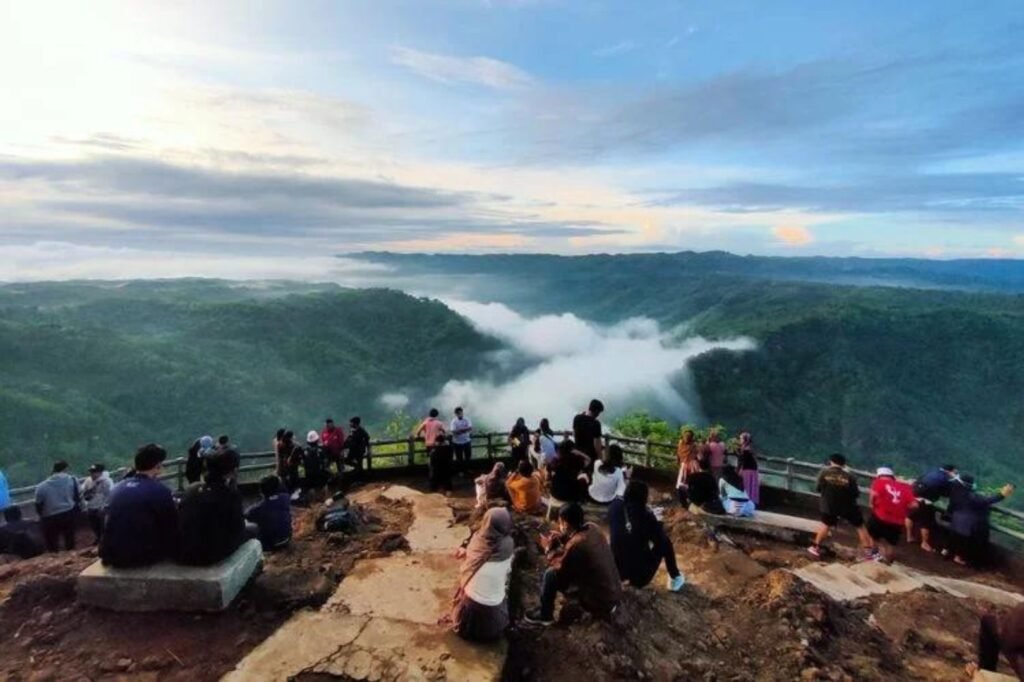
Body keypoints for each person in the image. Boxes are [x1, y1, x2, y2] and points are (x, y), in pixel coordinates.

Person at [524, 503, 622, 625]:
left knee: (550, 575)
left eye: (560, 522)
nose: (559, 526)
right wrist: (562, 537)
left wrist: (548, 549)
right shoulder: (593, 527)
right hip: (614, 592)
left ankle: (545, 615)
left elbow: (559, 567)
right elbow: (575, 539)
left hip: (601, 601)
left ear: (565, 524)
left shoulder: (577, 545)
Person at [100, 444, 181, 568]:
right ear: (158, 466)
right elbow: (171, 526)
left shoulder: (118, 487)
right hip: (139, 557)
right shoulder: (160, 490)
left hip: (110, 554)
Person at [451, 507, 514, 642]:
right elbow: (507, 571)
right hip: (494, 625)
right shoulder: (508, 545)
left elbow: (467, 570)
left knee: (468, 581)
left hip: (466, 621)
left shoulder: (476, 542)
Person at [609, 481, 685, 591]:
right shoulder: (645, 516)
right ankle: (675, 576)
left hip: (615, 570)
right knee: (665, 541)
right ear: (644, 497)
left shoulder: (614, 506)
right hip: (639, 577)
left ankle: (624, 577)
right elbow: (659, 539)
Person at [179, 451, 250, 566]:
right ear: (234, 470)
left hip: (185, 551)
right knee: (252, 529)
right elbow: (238, 529)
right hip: (210, 555)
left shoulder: (191, 490)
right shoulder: (231, 495)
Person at [808, 454, 873, 559]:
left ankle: (816, 547)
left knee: (825, 525)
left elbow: (818, 488)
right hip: (848, 506)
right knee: (860, 527)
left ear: (831, 462)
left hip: (829, 506)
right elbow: (855, 493)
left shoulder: (824, 473)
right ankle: (869, 553)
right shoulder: (850, 477)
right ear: (844, 464)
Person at [948, 475, 1014, 567]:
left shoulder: (956, 492)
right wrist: (1002, 494)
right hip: (968, 524)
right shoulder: (971, 496)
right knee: (968, 544)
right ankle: (960, 559)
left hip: (956, 521)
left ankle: (949, 554)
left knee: (957, 541)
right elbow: (988, 500)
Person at [866, 467, 917, 564]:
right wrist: (904, 508)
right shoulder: (905, 487)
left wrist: (872, 504)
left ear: (879, 476)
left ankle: (874, 556)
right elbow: (914, 505)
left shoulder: (878, 482)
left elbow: (873, 495)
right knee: (891, 543)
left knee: (873, 536)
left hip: (880, 516)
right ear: (892, 477)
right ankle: (888, 563)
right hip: (898, 520)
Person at [907, 464, 957, 552]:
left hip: (915, 494)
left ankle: (909, 536)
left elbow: (919, 479)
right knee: (926, 522)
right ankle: (924, 543)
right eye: (954, 472)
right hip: (926, 500)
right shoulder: (945, 478)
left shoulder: (931, 471)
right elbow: (946, 493)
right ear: (950, 471)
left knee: (910, 515)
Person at [969, 602, 1024, 679]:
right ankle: (986, 673)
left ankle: (986, 673)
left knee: (988, 622)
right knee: (988, 622)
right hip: (1011, 634)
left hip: (1010, 633)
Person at [35, 461, 80, 552]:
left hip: (50, 516)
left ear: (53, 470)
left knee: (52, 542)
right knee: (69, 539)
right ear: (66, 469)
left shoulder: (41, 486)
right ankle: (71, 557)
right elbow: (77, 496)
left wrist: (42, 516)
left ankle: (54, 557)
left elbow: (38, 504)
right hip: (69, 513)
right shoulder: (73, 480)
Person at [245, 475, 292, 551]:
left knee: (246, 526)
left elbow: (246, 515)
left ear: (261, 492)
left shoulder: (259, 508)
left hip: (269, 544)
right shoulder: (285, 497)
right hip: (287, 538)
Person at [548, 439, 591, 503]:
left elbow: (549, 472)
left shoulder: (555, 461)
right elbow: (588, 460)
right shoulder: (576, 460)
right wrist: (579, 452)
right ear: (572, 450)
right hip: (571, 495)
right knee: (583, 479)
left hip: (555, 493)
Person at [81, 463, 113, 544]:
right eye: (91, 472)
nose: (92, 474)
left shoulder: (107, 481)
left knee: (103, 525)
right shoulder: (88, 480)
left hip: (101, 507)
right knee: (94, 524)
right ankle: (98, 537)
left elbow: (110, 494)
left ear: (100, 472)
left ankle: (104, 540)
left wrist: (105, 506)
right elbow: (83, 491)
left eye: (94, 472)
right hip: (91, 506)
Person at [573, 399, 605, 463]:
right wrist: (601, 460)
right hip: (590, 457)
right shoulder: (596, 424)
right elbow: (597, 445)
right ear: (597, 411)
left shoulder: (577, 418)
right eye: (599, 412)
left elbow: (574, 434)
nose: (598, 414)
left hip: (577, 454)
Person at [302, 430, 329, 500]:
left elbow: (301, 465)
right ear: (317, 440)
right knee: (324, 485)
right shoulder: (322, 450)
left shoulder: (304, 451)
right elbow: (327, 462)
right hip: (321, 476)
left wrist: (302, 476)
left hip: (309, 477)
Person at [736, 432, 760, 506]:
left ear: (744, 440)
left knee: (747, 485)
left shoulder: (746, 449)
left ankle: (747, 500)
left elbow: (743, 461)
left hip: (748, 469)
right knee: (751, 486)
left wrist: (740, 469)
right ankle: (752, 501)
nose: (740, 440)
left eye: (741, 439)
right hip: (752, 468)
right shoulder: (748, 448)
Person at [450, 407, 474, 474]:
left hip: (467, 441)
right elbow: (453, 432)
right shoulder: (453, 421)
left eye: (461, 412)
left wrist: (459, 431)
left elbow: (470, 428)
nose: (460, 414)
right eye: (458, 413)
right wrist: (464, 430)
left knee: (468, 457)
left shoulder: (467, 419)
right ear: (456, 414)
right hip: (457, 442)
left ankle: (468, 470)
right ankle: (461, 471)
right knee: (459, 458)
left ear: (462, 412)